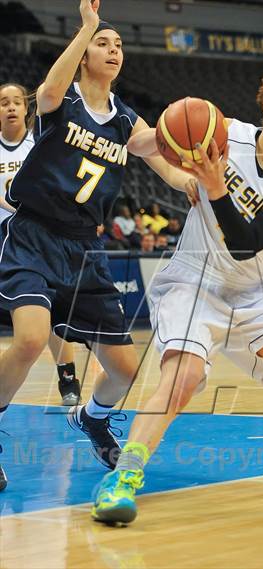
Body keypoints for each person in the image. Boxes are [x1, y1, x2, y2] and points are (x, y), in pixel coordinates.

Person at [92, 60, 263, 524]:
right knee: (181, 376)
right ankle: (124, 475)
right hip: (193, 280)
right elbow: (146, 142)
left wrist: (213, 186)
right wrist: (156, 141)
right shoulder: (219, 127)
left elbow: (246, 244)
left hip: (254, 289)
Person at [0, 0, 195, 493]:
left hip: (84, 250)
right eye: (103, 45)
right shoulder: (60, 103)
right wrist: (87, 26)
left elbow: (162, 158)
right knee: (28, 338)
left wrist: (190, 180)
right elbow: (44, 91)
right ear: (84, 55)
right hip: (34, 235)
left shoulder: (126, 122)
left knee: (125, 371)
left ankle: (91, 417)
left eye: (118, 45)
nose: (113, 51)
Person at [0, 82, 82, 406]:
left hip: (39, 237)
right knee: (33, 319)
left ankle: (67, 375)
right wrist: (15, 204)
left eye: (16, 101)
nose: (10, 107)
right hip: (5, 236)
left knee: (49, 312)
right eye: (3, 102)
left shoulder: (38, 142)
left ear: (26, 108)